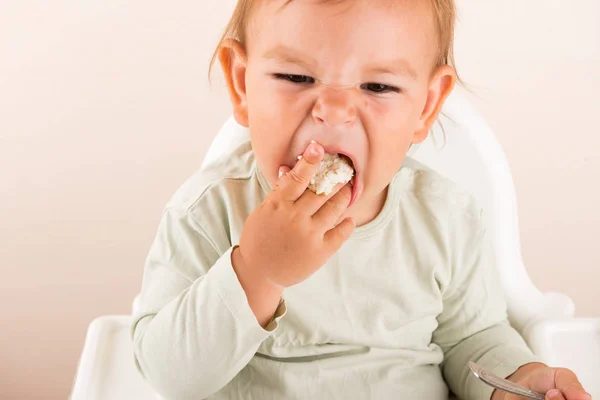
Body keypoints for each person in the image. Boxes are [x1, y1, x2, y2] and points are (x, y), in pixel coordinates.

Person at [132, 1, 591, 399]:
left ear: (426, 107)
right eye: (295, 76)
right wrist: (257, 272)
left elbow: (472, 340)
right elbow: (169, 375)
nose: (333, 109)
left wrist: (521, 380)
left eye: (378, 87)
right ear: (241, 85)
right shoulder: (207, 213)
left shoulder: (445, 218)